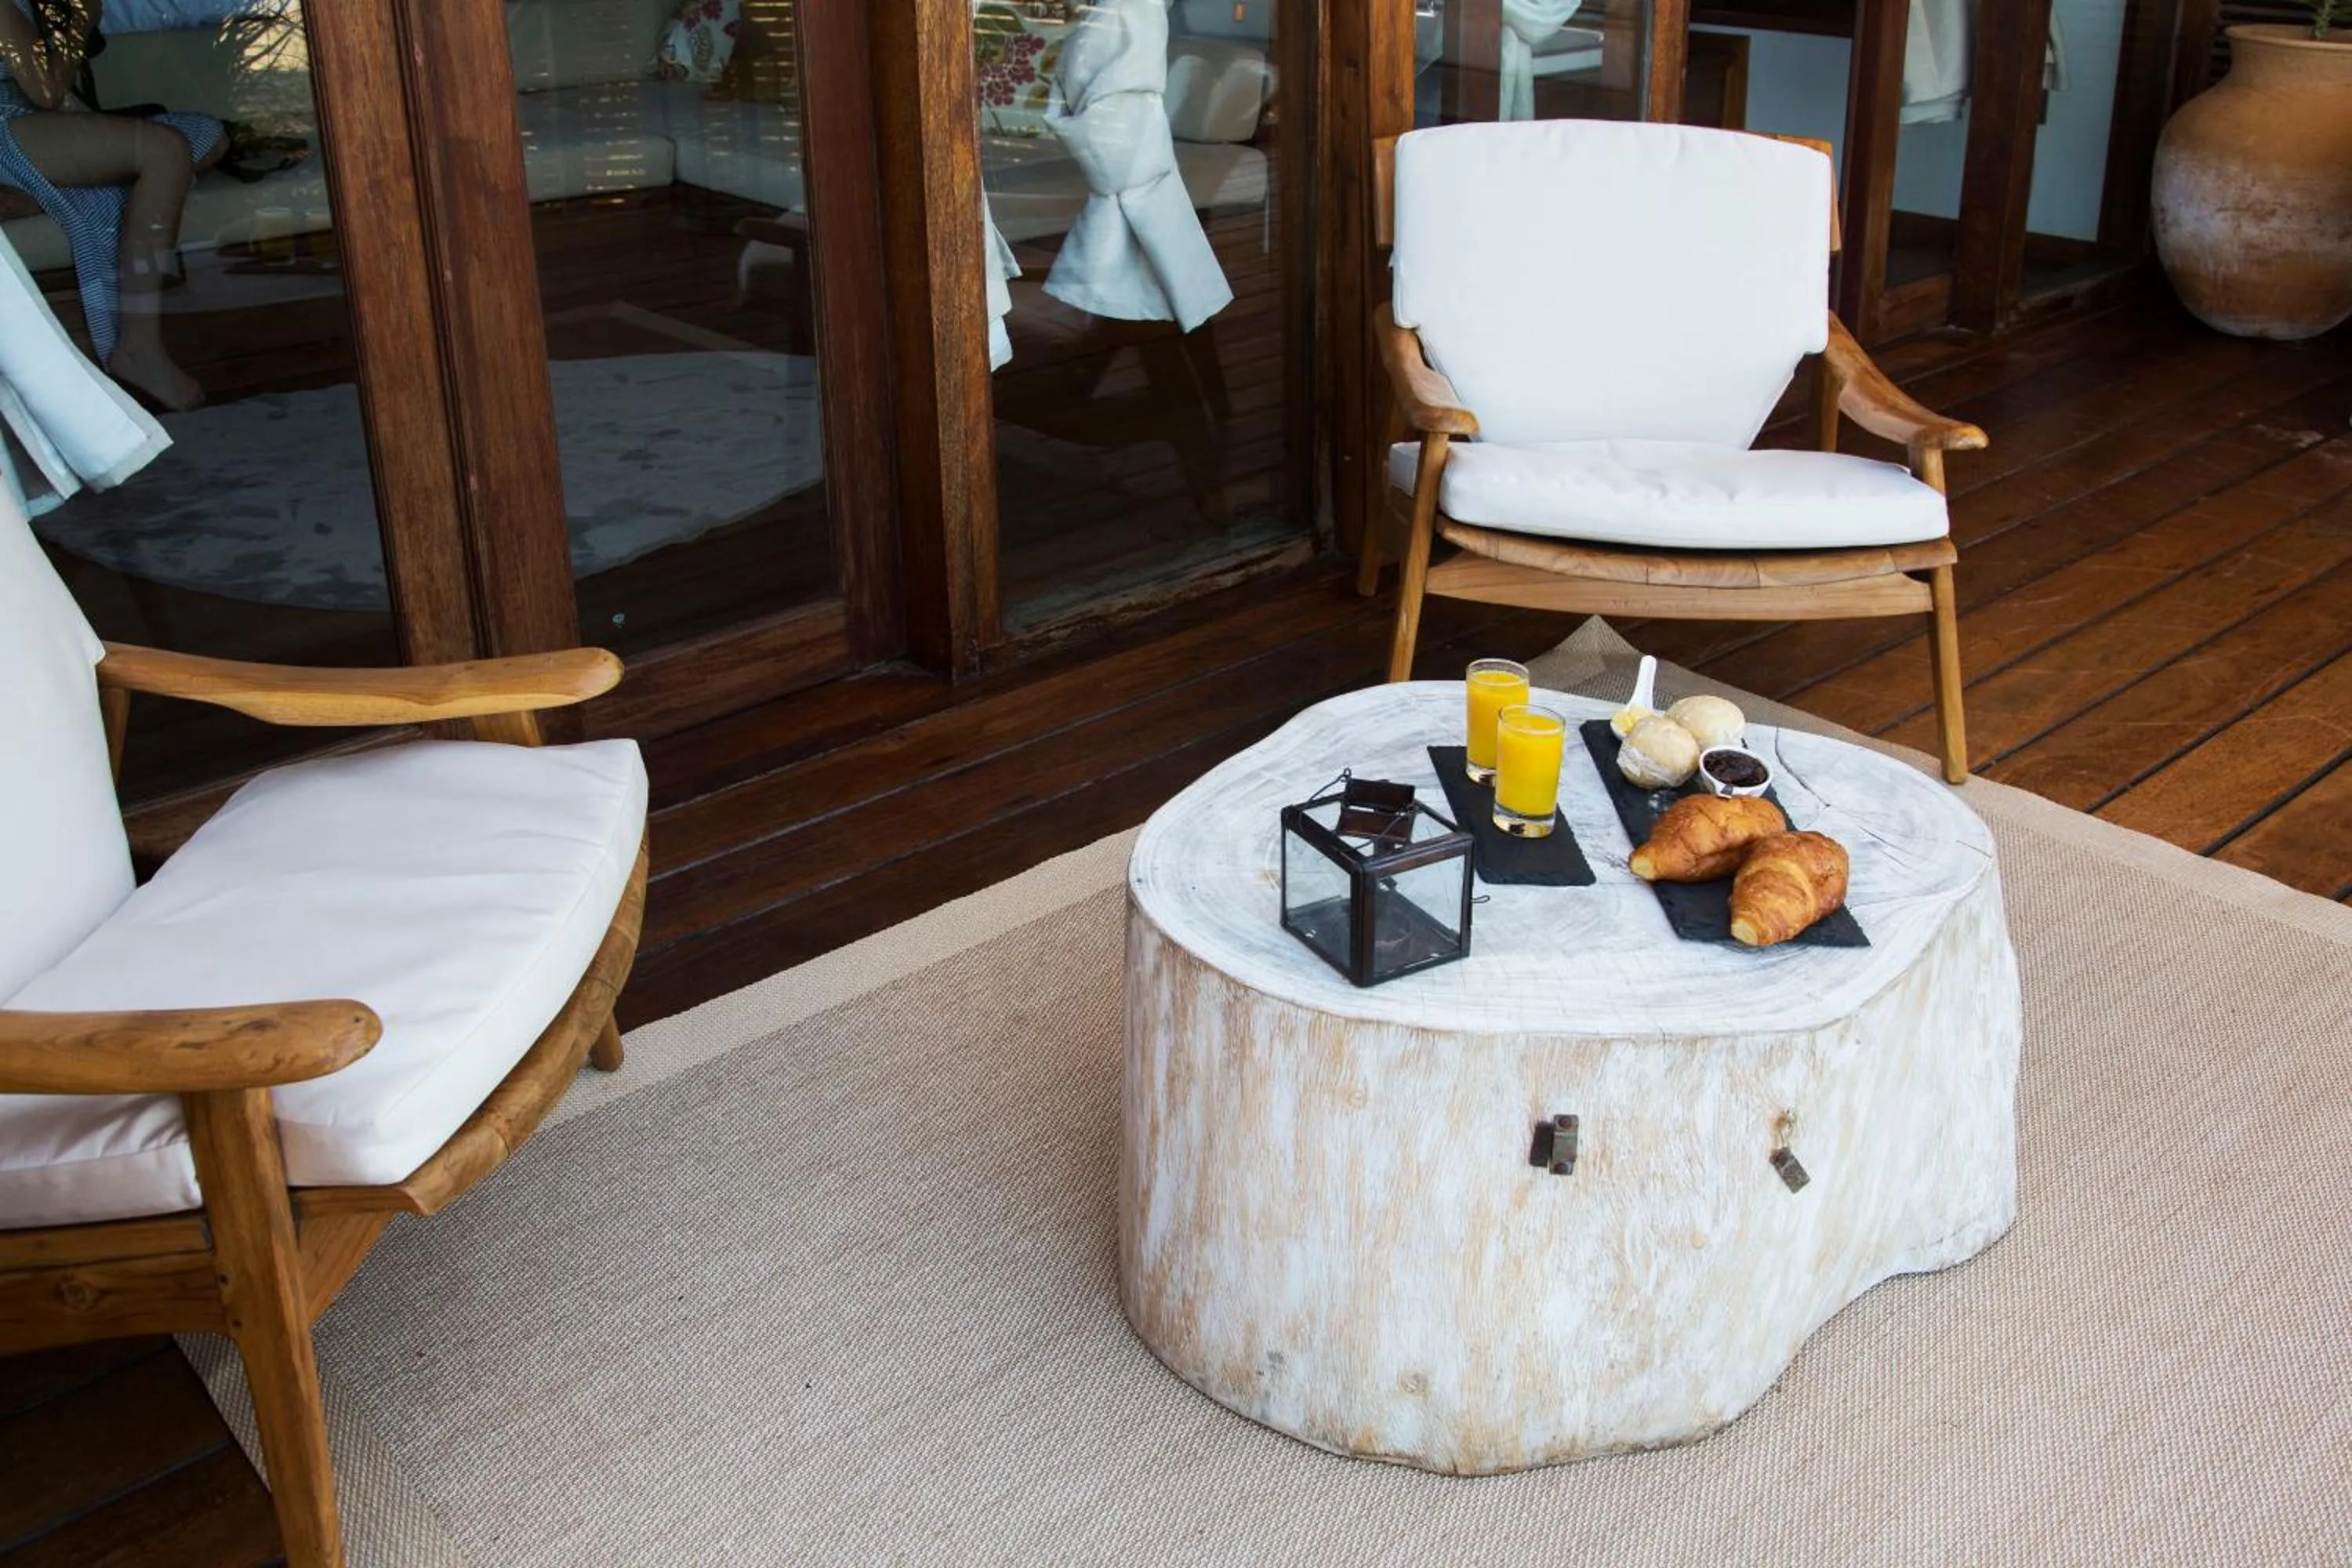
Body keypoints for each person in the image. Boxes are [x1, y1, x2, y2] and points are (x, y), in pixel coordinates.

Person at [0, 0, 224, 411]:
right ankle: (139, 346)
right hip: (6, 128)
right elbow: (47, 90)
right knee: (164, 150)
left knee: (206, 133)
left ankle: (36, 196)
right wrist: (79, 21)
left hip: (25, 122)